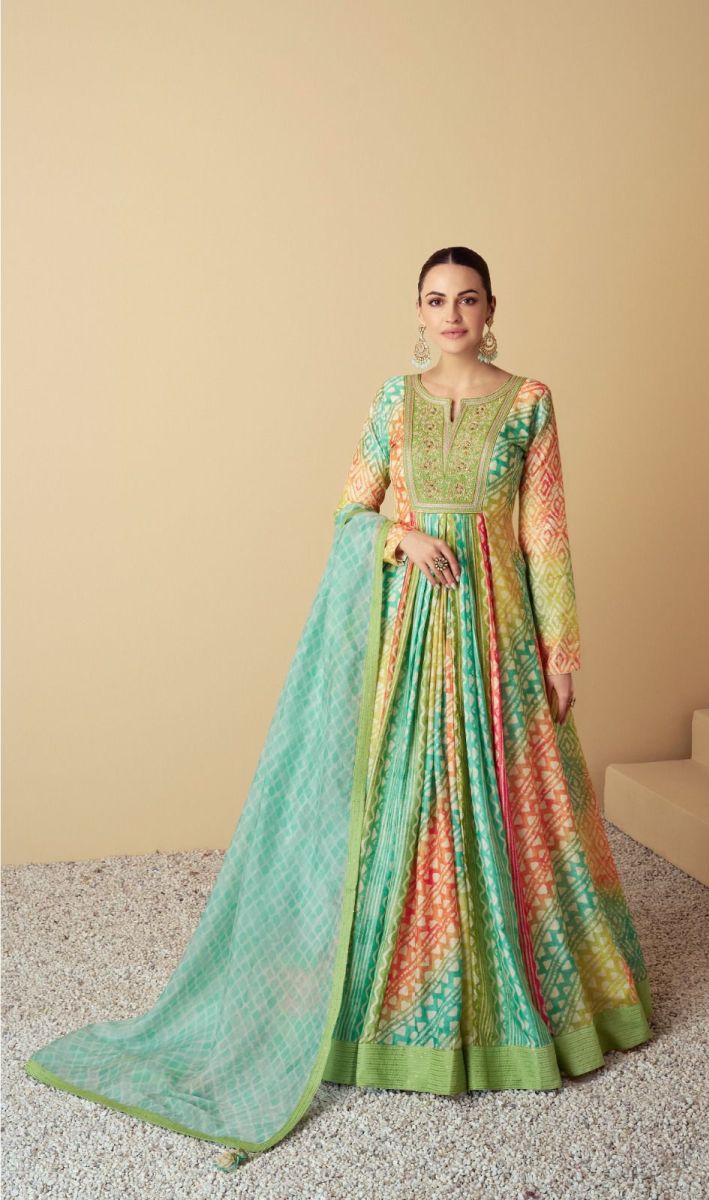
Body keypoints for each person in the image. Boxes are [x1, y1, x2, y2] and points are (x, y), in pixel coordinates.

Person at [24, 246, 653, 1173]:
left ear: (490, 309)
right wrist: (400, 535)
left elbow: (544, 531)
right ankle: (383, 1000)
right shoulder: (393, 403)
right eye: (435, 300)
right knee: (402, 800)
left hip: (498, 633)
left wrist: (562, 651)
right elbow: (347, 513)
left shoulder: (529, 403)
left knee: (510, 802)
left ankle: (515, 1002)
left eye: (466, 299)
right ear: (418, 311)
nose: (451, 314)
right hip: (408, 634)